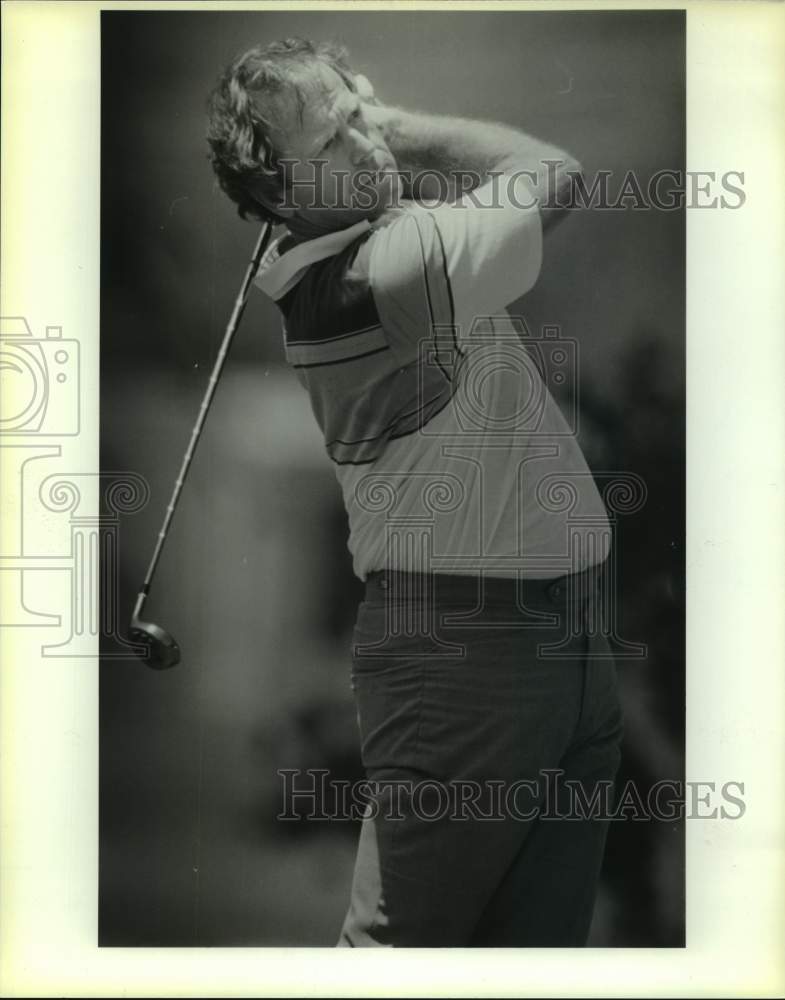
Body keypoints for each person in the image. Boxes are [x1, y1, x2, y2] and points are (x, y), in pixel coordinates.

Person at [206, 37, 624, 947]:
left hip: (559, 644)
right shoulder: (373, 279)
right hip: (465, 660)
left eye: (363, 115)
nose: (370, 141)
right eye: (337, 136)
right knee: (398, 957)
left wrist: (349, 132)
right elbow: (550, 171)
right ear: (283, 193)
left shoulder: (373, 245)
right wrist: (396, 121)